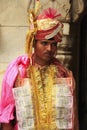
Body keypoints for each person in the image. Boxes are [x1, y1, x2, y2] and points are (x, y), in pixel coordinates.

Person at [0, 1, 79, 130]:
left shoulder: (63, 74)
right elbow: (6, 118)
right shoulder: (18, 71)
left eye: (54, 44)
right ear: (33, 43)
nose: (50, 48)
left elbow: (72, 117)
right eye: (44, 43)